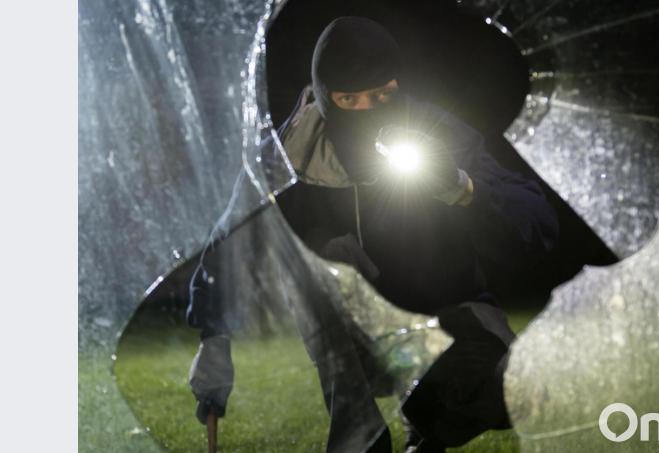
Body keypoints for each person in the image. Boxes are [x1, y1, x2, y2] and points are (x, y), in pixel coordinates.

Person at [187, 16, 559, 453]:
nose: (367, 110)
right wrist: (214, 335)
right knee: (327, 255)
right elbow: (232, 238)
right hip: (351, 334)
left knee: (518, 393)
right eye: (349, 98)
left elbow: (538, 221)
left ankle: (427, 424)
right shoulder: (289, 157)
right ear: (325, 96)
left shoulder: (435, 132)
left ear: (397, 85)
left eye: (382, 95)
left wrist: (464, 189)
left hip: (443, 317)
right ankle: (360, 436)